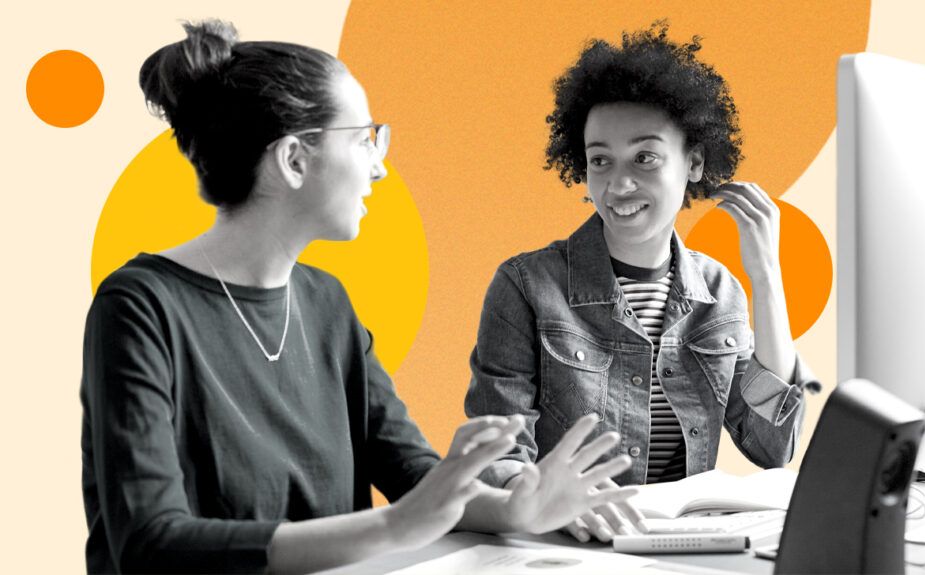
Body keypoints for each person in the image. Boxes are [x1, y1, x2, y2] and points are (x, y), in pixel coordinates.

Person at [80, 20, 638, 574]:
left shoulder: (327, 303)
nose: (379, 165)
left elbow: (413, 476)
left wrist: (519, 509)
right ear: (294, 160)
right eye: (365, 138)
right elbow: (151, 542)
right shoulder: (139, 307)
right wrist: (393, 527)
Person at [465, 23, 821, 543]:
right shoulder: (525, 285)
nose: (619, 184)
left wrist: (767, 277)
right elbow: (497, 450)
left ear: (694, 162)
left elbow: (773, 448)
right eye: (600, 160)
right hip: (569, 548)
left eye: (645, 157)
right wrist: (545, 502)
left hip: (676, 550)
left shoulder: (722, 293)